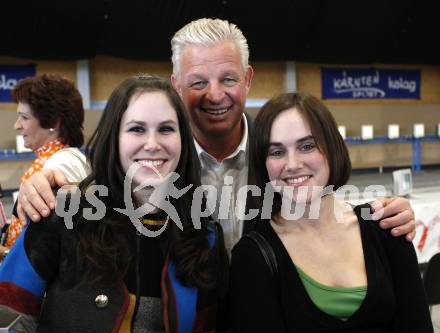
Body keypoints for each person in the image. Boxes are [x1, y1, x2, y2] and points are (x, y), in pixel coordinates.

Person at [15, 18, 416, 253]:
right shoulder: (147, 165)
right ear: (175, 85)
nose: (215, 94)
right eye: (198, 81)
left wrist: (380, 216)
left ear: (248, 79)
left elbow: (326, 209)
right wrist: (43, 183)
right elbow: (94, 193)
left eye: (228, 78)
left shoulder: (277, 158)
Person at [0, 75, 228, 333]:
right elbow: (9, 306)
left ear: (183, 140)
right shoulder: (63, 211)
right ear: (114, 137)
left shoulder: (201, 236)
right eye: (136, 129)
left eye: (166, 129)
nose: (152, 143)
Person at [230, 92, 440, 333]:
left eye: (306, 145)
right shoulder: (254, 258)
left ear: (331, 147)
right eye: (276, 152)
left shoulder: (384, 226)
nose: (292, 163)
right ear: (263, 164)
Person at [0, 73, 89, 261]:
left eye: (24, 117)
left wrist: (6, 254)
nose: (17, 126)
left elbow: (54, 247)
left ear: (53, 122)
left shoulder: (63, 163)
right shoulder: (58, 158)